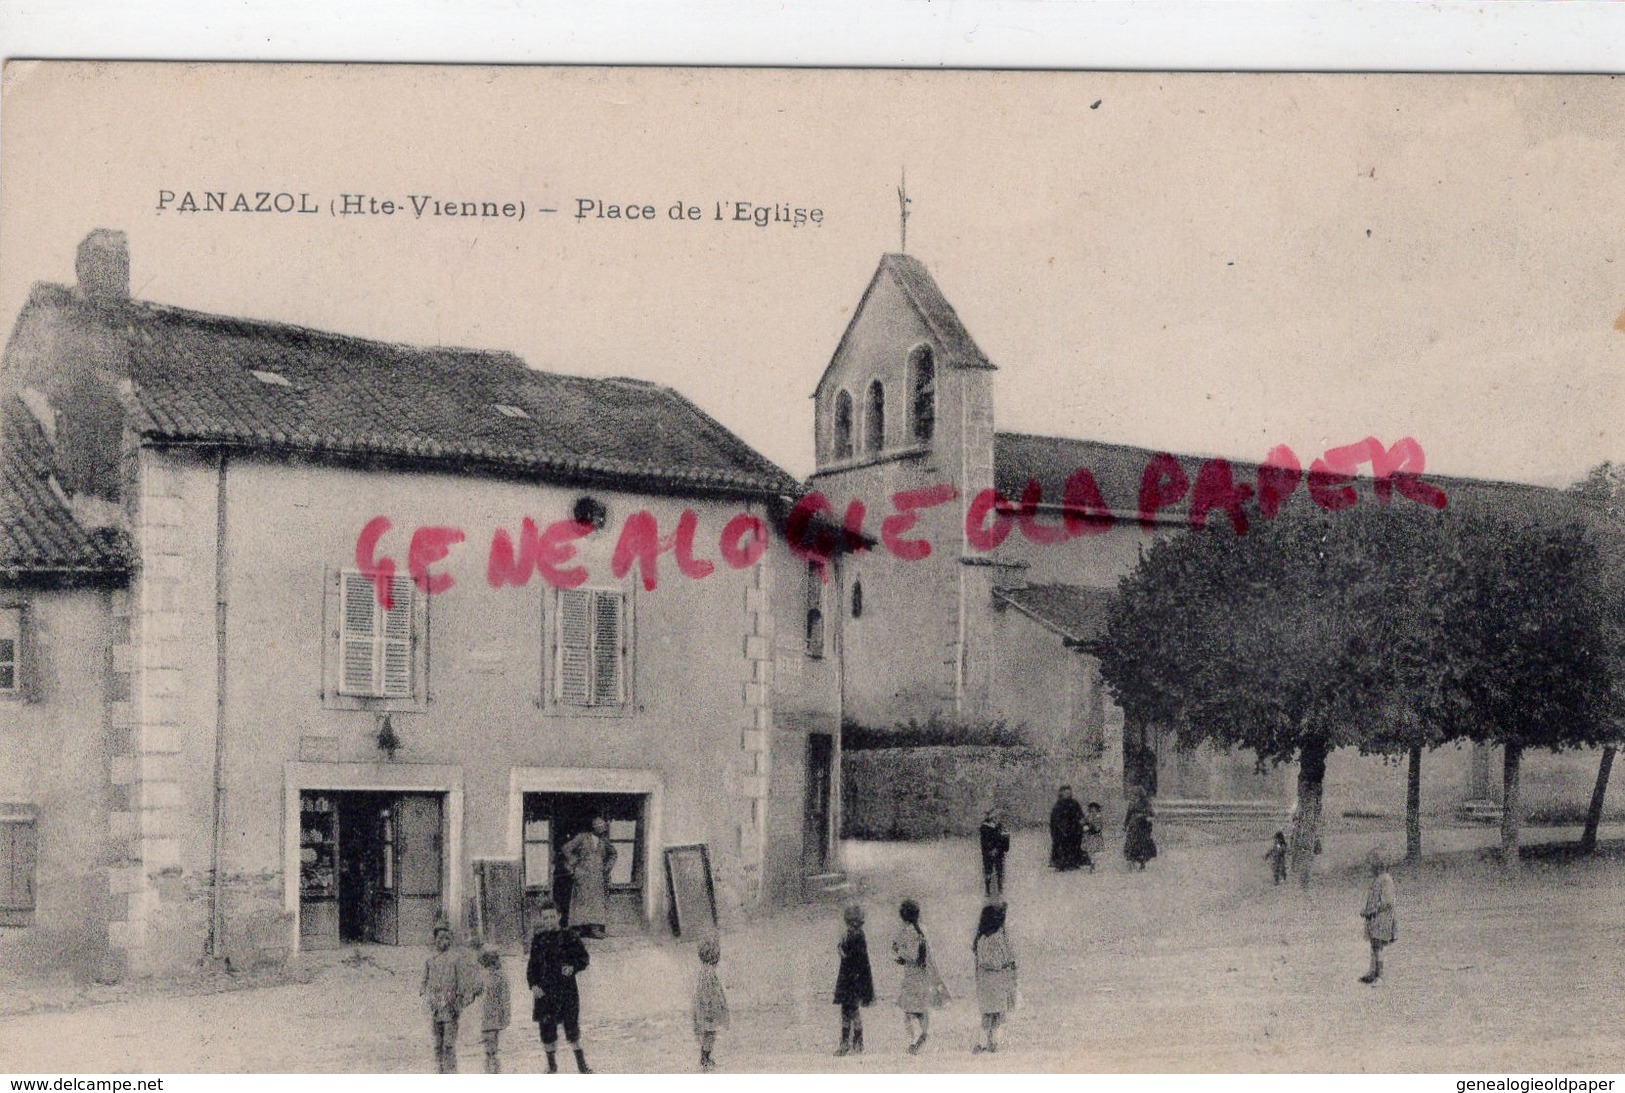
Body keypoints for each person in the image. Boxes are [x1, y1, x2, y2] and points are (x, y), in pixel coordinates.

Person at [527, 899, 594, 1073]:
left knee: (571, 1027)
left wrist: (573, 967)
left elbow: (584, 959)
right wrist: (533, 985)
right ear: (541, 919)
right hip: (544, 992)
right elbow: (532, 966)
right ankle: (551, 1066)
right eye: (545, 917)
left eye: (552, 916)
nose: (549, 920)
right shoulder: (538, 940)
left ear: (559, 916)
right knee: (547, 1029)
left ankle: (582, 1066)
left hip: (566, 990)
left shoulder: (569, 936)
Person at [420, 922, 481, 1073]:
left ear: (450, 940)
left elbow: (461, 981)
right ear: (434, 940)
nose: (443, 942)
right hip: (436, 1005)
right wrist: (424, 991)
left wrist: (459, 999)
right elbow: (424, 979)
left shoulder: (455, 959)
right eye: (440, 938)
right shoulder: (430, 960)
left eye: (446, 938)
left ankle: (451, 1071)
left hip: (451, 1005)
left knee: (449, 1042)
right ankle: (439, 1070)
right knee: (438, 1040)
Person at [891, 898, 948, 1055]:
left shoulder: (907, 932)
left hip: (911, 976)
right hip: (924, 975)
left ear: (903, 916)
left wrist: (899, 953)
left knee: (908, 1011)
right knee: (922, 1009)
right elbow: (925, 955)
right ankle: (924, 1033)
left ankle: (913, 1039)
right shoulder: (923, 929)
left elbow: (911, 956)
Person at [971, 902, 1017, 1054]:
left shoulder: (980, 939)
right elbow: (1005, 958)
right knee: (997, 1014)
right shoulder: (998, 938)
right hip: (997, 981)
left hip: (984, 983)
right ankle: (993, 1042)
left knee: (986, 1015)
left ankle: (981, 1042)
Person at [562, 818, 618, 939]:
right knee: (580, 901)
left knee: (596, 901)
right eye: (600, 827)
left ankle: (595, 929)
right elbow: (566, 848)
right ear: (594, 827)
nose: (602, 830)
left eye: (603, 827)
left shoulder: (604, 841)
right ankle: (577, 928)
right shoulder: (582, 837)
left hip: (597, 876)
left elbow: (613, 853)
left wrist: (607, 867)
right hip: (582, 874)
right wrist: (574, 862)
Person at [832, 903, 875, 1056]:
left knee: (847, 1012)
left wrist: (840, 949)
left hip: (849, 980)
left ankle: (847, 1044)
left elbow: (848, 957)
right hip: (856, 980)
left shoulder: (853, 936)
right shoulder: (858, 935)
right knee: (852, 1012)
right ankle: (857, 1043)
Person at [1360, 849, 1398, 984]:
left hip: (1382, 919)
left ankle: (1380, 976)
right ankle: (1373, 971)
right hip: (1375, 919)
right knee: (1374, 946)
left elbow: (1387, 902)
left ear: (1378, 866)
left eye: (1371, 865)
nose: (1369, 869)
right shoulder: (1378, 879)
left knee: (1378, 948)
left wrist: (1371, 910)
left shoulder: (1386, 880)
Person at [692, 936, 730, 1072]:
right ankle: (705, 1058)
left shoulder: (704, 971)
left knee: (707, 1033)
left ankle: (705, 1057)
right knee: (710, 1033)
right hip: (707, 1008)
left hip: (702, 1007)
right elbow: (711, 992)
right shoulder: (709, 973)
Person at [477, 947, 511, 1074]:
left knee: (491, 1037)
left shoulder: (501, 977)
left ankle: (493, 1063)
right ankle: (490, 1062)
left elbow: (505, 997)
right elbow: (478, 990)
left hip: (495, 1011)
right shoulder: (484, 976)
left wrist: (506, 1014)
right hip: (485, 1011)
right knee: (488, 1037)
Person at [1049, 786, 1085, 871]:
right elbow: (1055, 819)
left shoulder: (1074, 803)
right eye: (1066, 793)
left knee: (1074, 845)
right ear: (1061, 793)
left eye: (1069, 793)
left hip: (1074, 829)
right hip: (1062, 830)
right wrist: (1060, 829)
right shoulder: (1058, 805)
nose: (1068, 794)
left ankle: (1073, 862)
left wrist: (1082, 823)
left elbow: (1079, 814)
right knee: (1062, 846)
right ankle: (1062, 864)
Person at [978, 809, 1010, 896]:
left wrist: (999, 847)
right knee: (989, 870)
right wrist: (991, 849)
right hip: (990, 852)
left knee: (998, 870)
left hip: (997, 852)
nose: (996, 819)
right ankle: (988, 889)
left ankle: (999, 888)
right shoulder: (985, 827)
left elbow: (1004, 841)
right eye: (994, 817)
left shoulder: (999, 827)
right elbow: (984, 842)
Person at [1124, 791, 1157, 870]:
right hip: (1133, 827)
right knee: (1131, 842)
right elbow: (1128, 815)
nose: (1132, 797)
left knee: (1142, 844)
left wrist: (1142, 815)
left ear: (1138, 795)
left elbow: (1151, 813)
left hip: (1142, 827)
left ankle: (1142, 863)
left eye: (1134, 795)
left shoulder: (1145, 803)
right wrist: (1125, 825)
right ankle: (1131, 861)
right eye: (1131, 795)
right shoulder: (1131, 804)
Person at [1082, 802, 1105, 872]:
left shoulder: (1098, 817)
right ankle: (1092, 863)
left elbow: (1098, 827)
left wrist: (1091, 828)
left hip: (1095, 836)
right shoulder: (1088, 816)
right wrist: (1084, 826)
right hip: (1088, 836)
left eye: (1094, 809)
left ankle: (1094, 864)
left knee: (1095, 851)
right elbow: (1084, 822)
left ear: (1097, 809)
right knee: (1089, 851)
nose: (1093, 810)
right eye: (1091, 809)